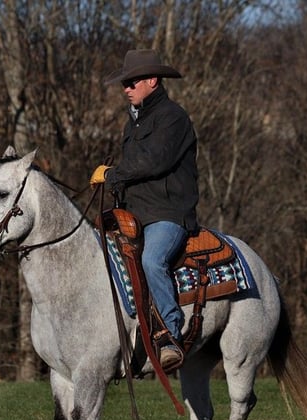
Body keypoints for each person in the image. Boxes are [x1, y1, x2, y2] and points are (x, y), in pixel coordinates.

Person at [90, 49, 199, 371]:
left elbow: (154, 163)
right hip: (134, 213)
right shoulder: (134, 122)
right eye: (124, 83)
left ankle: (169, 335)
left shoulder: (172, 117)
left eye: (132, 81)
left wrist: (111, 174)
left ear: (152, 80)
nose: (126, 88)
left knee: (152, 260)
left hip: (167, 213)